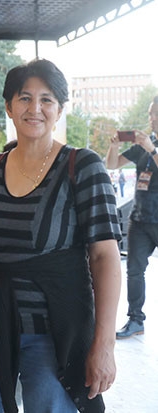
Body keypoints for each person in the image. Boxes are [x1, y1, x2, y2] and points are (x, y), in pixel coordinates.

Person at [0, 59, 121, 412]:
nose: (34, 108)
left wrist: (104, 344)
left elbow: (105, 257)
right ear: (9, 107)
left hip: (52, 333)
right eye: (24, 98)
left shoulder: (82, 166)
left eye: (46, 99)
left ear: (60, 109)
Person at [105, 95, 158, 339]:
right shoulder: (142, 146)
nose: (151, 118)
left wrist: (152, 149)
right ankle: (135, 319)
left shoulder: (149, 146)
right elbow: (113, 165)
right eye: (150, 114)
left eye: (154, 113)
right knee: (134, 271)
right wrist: (114, 146)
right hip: (139, 219)